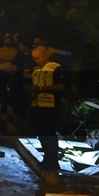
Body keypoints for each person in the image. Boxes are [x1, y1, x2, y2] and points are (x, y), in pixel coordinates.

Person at [27, 45, 64, 183]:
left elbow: (61, 86)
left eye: (38, 57)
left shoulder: (55, 68)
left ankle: (52, 161)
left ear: (45, 55)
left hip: (50, 105)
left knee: (49, 132)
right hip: (37, 104)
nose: (36, 61)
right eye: (34, 58)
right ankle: (47, 158)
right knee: (40, 132)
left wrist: (43, 88)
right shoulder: (36, 70)